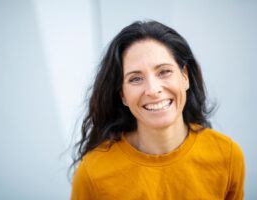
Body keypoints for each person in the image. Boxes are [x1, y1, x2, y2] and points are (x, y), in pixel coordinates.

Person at [70, 20, 245, 200]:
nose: (153, 90)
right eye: (135, 78)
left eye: (164, 72)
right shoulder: (92, 173)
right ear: (122, 95)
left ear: (184, 77)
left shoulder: (228, 156)